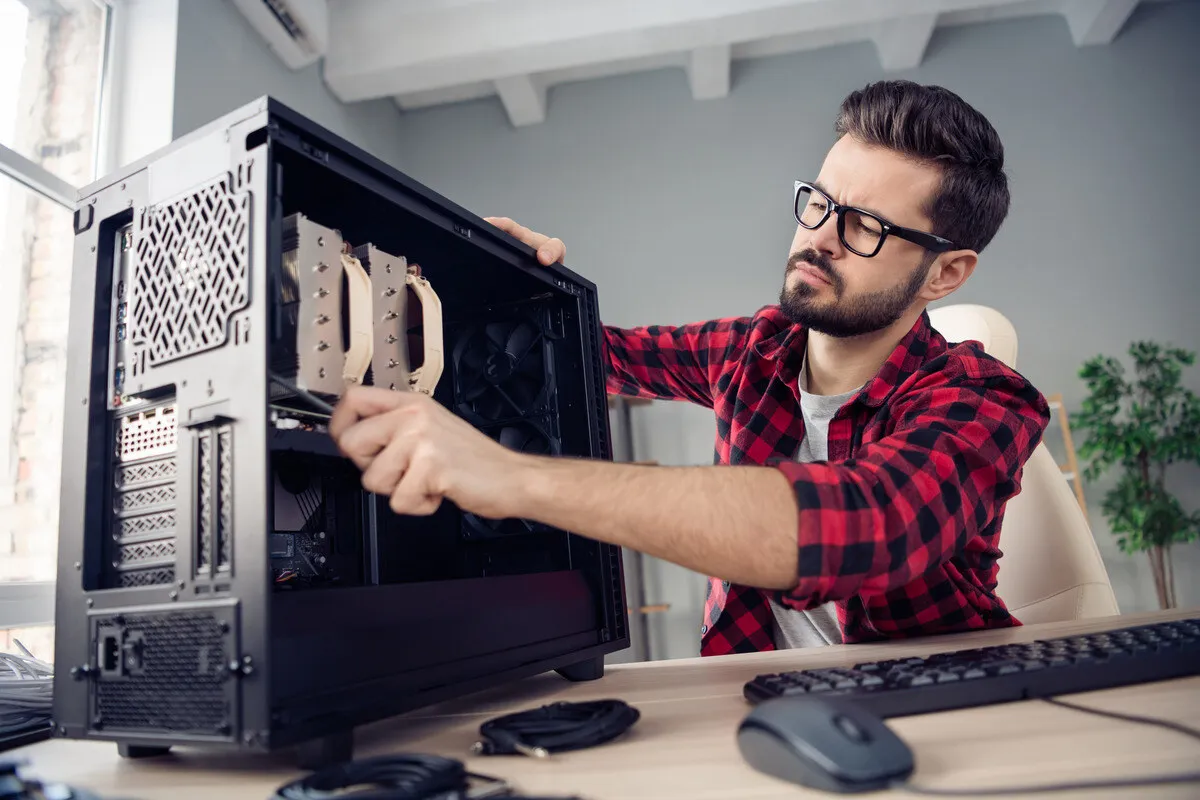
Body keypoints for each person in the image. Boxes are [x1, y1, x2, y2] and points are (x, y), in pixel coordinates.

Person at [328, 80, 1051, 657]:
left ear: (946, 273)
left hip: (943, 707)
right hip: (751, 694)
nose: (819, 237)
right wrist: (490, 284)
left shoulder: (988, 399)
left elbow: (866, 522)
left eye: (864, 226)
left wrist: (514, 478)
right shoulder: (752, 352)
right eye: (820, 203)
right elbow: (585, 357)